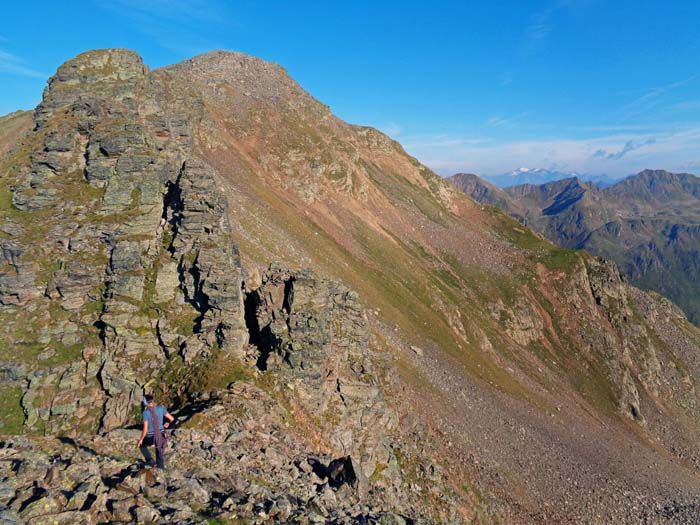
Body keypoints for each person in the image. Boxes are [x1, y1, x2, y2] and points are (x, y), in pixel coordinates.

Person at [137, 394, 174, 469]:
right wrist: (168, 422)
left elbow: (145, 428)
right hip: (162, 435)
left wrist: (141, 439)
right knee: (159, 451)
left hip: (151, 437)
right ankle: (161, 470)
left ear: (145, 403)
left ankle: (150, 461)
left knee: (142, 445)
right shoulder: (161, 408)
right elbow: (171, 418)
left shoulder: (145, 412)